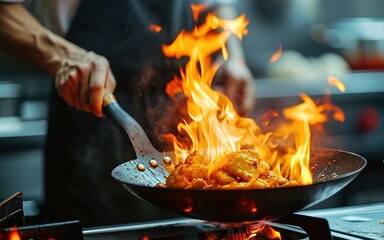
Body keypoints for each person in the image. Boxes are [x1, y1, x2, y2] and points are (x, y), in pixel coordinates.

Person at [0, 0, 255, 226]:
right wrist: (62, 55)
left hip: (179, 112)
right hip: (94, 108)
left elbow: (214, 5)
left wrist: (234, 57)